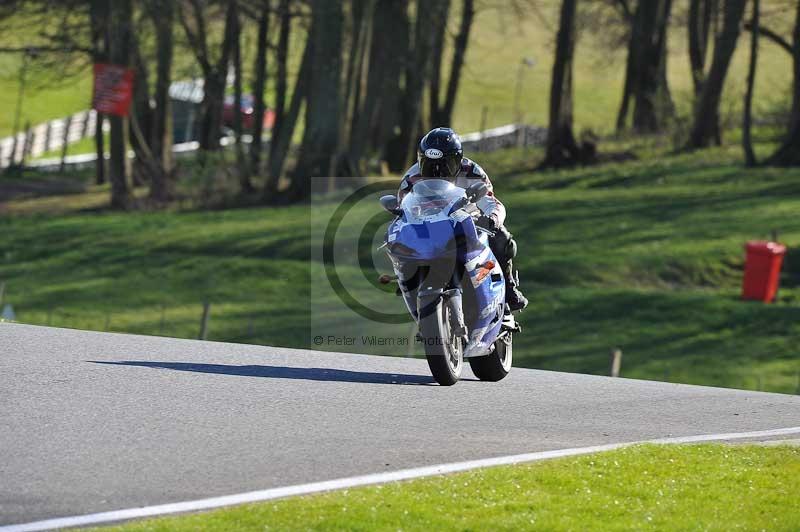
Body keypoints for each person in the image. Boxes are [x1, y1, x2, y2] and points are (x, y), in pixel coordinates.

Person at [398, 127, 528, 311]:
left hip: (467, 223)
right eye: (430, 165)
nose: (438, 172)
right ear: (420, 161)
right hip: (429, 228)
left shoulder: (473, 172)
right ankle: (410, 283)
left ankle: (508, 288)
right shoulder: (411, 178)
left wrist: (492, 219)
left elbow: (491, 202)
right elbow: (402, 207)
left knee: (501, 238)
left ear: (458, 161)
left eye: (445, 165)